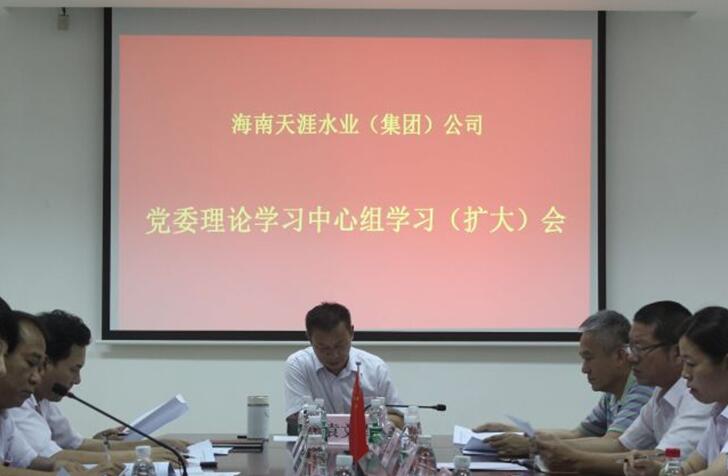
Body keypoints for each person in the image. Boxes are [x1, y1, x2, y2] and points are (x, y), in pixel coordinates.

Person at [537, 300, 713, 475]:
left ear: (676, 353)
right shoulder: (660, 392)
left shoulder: (699, 396)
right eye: (631, 348)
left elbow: (666, 459)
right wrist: (551, 448)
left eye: (640, 348)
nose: (631, 357)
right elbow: (622, 445)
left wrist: (575, 459)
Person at [8, 310, 184, 464]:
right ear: (47, 363)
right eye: (74, 369)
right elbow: (52, 457)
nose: (77, 380)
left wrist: (149, 445)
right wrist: (144, 455)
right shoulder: (15, 402)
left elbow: (75, 444)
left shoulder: (43, 400)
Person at [474, 310, 653, 458]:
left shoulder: (642, 388)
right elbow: (577, 434)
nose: (584, 369)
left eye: (589, 358)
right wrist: (516, 432)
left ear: (620, 356)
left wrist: (532, 445)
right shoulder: (612, 394)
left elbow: (614, 443)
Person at [0, 310, 123, 476]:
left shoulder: (5, 414)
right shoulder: (15, 405)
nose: (37, 377)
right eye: (31, 363)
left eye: (40, 366)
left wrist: (57, 466)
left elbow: (28, 459)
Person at [625, 306, 728, 476]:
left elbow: (716, 473)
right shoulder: (718, 413)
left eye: (691, 364)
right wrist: (655, 469)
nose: (684, 373)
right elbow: (690, 467)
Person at [284, 302, 403, 432]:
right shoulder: (298, 365)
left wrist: (369, 422)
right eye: (323, 348)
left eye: (339, 345)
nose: (334, 354)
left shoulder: (375, 368)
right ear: (309, 338)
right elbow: (297, 420)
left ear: (351, 332)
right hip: (317, 443)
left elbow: (399, 418)